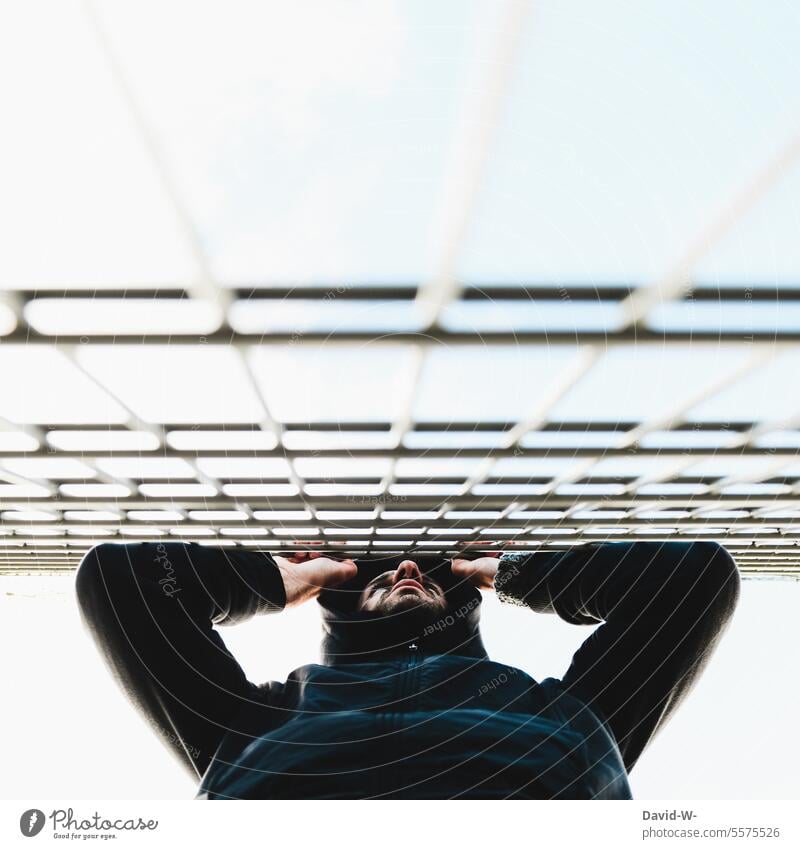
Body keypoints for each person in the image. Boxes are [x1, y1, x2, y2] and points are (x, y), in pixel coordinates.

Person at [75, 539, 739, 799]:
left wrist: (503, 573)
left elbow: (695, 575)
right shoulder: (571, 718)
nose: (409, 567)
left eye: (420, 571)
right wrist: (288, 578)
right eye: (387, 573)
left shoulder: (249, 729)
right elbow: (120, 577)